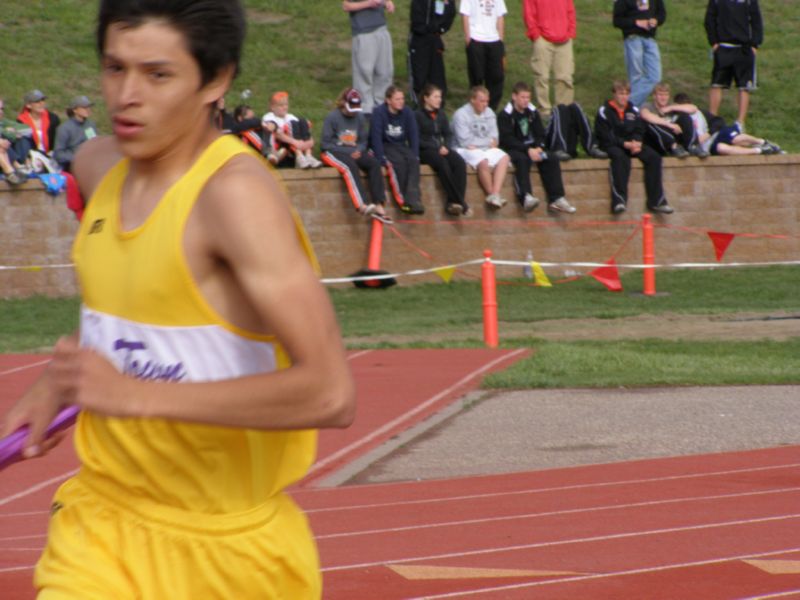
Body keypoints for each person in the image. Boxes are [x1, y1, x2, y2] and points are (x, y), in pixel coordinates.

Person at [0, 2, 356, 598]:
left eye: (158, 74)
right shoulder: (96, 165)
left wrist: (135, 395)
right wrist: (62, 382)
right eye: (115, 69)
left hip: (231, 555)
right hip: (101, 528)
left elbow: (330, 392)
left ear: (215, 80)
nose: (125, 96)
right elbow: (141, 300)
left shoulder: (235, 198)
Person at [595, 80, 674, 215]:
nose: (624, 97)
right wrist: (624, 144)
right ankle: (619, 201)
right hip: (612, 145)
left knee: (654, 158)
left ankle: (656, 201)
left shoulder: (633, 110)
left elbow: (639, 129)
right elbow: (605, 135)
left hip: (632, 144)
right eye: (621, 93)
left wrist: (637, 142)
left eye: (626, 94)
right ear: (614, 94)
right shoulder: (604, 111)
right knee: (620, 159)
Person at [498, 82, 575, 214]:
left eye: (528, 97)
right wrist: (527, 150)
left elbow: (540, 133)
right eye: (523, 97)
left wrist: (539, 147)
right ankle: (526, 196)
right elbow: (507, 139)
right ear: (514, 96)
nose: (526, 101)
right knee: (522, 160)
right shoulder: (506, 114)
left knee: (551, 158)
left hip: (533, 149)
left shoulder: (532, 112)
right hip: (515, 149)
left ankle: (556, 198)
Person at [321, 87, 392, 223]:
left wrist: (359, 150)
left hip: (354, 151)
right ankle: (361, 205)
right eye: (351, 109)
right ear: (344, 104)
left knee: (374, 164)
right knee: (350, 166)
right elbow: (325, 144)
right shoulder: (332, 117)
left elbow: (363, 141)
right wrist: (347, 150)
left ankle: (379, 204)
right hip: (333, 152)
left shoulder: (359, 118)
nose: (353, 113)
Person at [704, 0, 763, 131]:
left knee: (744, 86)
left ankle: (740, 122)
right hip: (724, 46)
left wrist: (755, 44)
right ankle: (712, 119)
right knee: (717, 84)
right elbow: (710, 19)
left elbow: (756, 20)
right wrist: (713, 42)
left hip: (744, 48)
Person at [415, 83, 471, 216]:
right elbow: (417, 139)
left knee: (459, 162)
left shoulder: (441, 114)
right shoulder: (417, 115)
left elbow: (448, 134)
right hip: (425, 150)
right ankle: (462, 202)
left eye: (440, 97)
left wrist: (446, 146)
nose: (439, 99)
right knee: (442, 164)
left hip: (441, 148)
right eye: (435, 97)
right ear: (426, 98)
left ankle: (453, 203)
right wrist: (437, 147)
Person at [451, 85, 510, 209]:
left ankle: (495, 194)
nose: (485, 104)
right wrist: (486, 142)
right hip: (462, 149)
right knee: (482, 161)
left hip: (482, 148)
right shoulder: (461, 114)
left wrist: (483, 143)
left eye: (487, 101)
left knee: (504, 157)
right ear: (472, 100)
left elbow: (495, 139)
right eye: (482, 101)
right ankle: (492, 194)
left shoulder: (489, 113)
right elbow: (464, 141)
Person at [370, 85, 425, 214]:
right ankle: (403, 201)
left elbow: (413, 135)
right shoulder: (379, 113)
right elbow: (376, 137)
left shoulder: (407, 112)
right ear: (388, 100)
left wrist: (415, 154)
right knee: (398, 163)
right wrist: (380, 157)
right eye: (397, 99)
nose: (401, 102)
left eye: (402, 99)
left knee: (412, 161)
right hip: (385, 144)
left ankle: (414, 199)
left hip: (400, 144)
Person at [522, 0, 576, 122]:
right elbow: (528, 13)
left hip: (565, 40)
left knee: (565, 77)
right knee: (542, 76)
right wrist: (535, 35)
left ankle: (564, 111)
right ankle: (544, 111)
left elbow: (570, 10)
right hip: (543, 39)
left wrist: (571, 32)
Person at [343, 0, 395, 116]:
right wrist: (368, 4)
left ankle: (383, 105)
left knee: (385, 71)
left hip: (382, 29)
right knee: (364, 72)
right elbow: (346, 6)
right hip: (363, 32)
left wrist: (388, 3)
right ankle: (366, 108)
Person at [612, 0, 666, 108]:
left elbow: (661, 14)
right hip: (633, 38)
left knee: (655, 77)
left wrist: (655, 20)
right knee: (636, 76)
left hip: (650, 38)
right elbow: (617, 21)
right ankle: (632, 110)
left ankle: (628, 106)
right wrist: (636, 22)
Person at [460, 0, 507, 111]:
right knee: (477, 75)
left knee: (496, 76)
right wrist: (468, 38)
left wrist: (500, 39)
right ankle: (475, 105)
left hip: (494, 39)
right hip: (476, 38)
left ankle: (491, 108)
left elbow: (500, 16)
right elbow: (465, 15)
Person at [408, 0, 457, 106]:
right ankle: (419, 105)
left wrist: (440, 29)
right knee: (419, 76)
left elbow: (451, 13)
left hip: (435, 38)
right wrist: (427, 28)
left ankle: (438, 106)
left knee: (437, 75)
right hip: (419, 38)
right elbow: (417, 19)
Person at [262, 91, 323, 169]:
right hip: (280, 145)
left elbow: (303, 129)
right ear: (273, 107)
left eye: (286, 104)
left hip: (293, 146)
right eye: (281, 105)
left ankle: (308, 155)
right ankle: (299, 156)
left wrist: (310, 141)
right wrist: (296, 142)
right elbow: (277, 133)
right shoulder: (269, 116)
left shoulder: (290, 116)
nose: (285, 107)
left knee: (303, 121)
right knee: (291, 124)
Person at [639, 82, 698, 158]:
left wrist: (670, 108)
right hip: (655, 142)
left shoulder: (671, 106)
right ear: (654, 96)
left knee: (684, 116)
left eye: (666, 95)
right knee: (650, 123)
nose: (663, 98)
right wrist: (670, 125)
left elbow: (693, 108)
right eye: (660, 95)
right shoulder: (648, 106)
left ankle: (692, 146)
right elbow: (645, 115)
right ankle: (674, 147)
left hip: (674, 136)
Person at [53, 96, 98, 173]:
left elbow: (96, 143)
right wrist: (78, 158)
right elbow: (58, 154)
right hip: (73, 166)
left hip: (92, 163)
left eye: (89, 107)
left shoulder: (91, 125)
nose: (88, 110)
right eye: (84, 107)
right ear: (75, 110)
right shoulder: (64, 128)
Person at [17, 89, 61, 155]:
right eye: (37, 101)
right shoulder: (21, 121)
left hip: (51, 154)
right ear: (28, 105)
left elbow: (58, 140)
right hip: (31, 155)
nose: (41, 103)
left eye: (43, 100)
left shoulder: (53, 119)